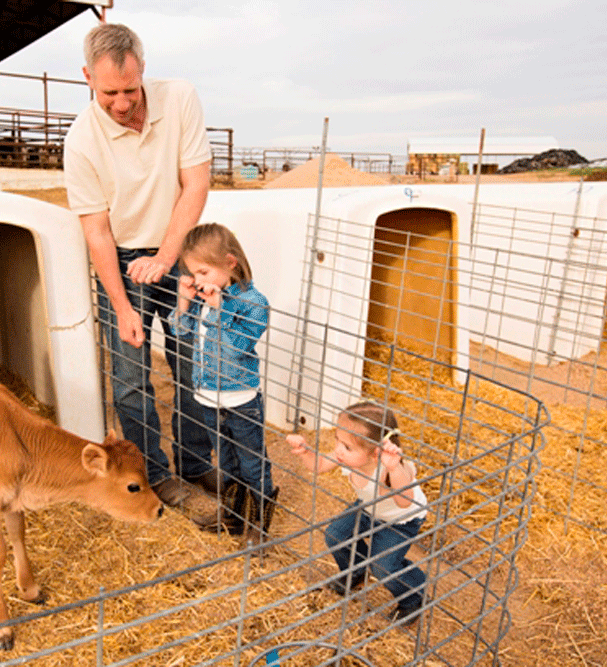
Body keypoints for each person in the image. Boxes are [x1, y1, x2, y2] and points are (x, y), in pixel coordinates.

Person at [63, 23, 217, 507]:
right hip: (124, 260)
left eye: (130, 89)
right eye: (109, 92)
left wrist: (168, 258)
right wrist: (122, 306)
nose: (122, 102)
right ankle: (155, 477)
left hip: (180, 247)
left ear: (143, 70)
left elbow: (195, 184)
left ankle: (195, 465)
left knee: (190, 363)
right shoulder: (81, 141)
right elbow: (98, 233)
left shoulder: (180, 98)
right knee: (131, 379)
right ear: (87, 77)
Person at [169, 223, 278, 544]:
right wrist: (185, 302)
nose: (198, 280)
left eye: (203, 272)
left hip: (241, 399)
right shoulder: (208, 296)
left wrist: (220, 310)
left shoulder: (253, 302)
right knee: (226, 460)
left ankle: (259, 523)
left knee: (252, 461)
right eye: (193, 273)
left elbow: (236, 347)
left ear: (230, 263)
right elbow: (180, 331)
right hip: (208, 397)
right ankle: (232, 516)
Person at [287, 401, 427, 626]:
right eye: (337, 440)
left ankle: (413, 594)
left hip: (400, 520)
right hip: (369, 507)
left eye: (347, 447)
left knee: (383, 566)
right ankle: (356, 572)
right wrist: (305, 450)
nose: (339, 450)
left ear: (375, 453)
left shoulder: (391, 469)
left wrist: (393, 467)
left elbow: (404, 502)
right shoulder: (348, 456)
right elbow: (319, 465)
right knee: (336, 535)